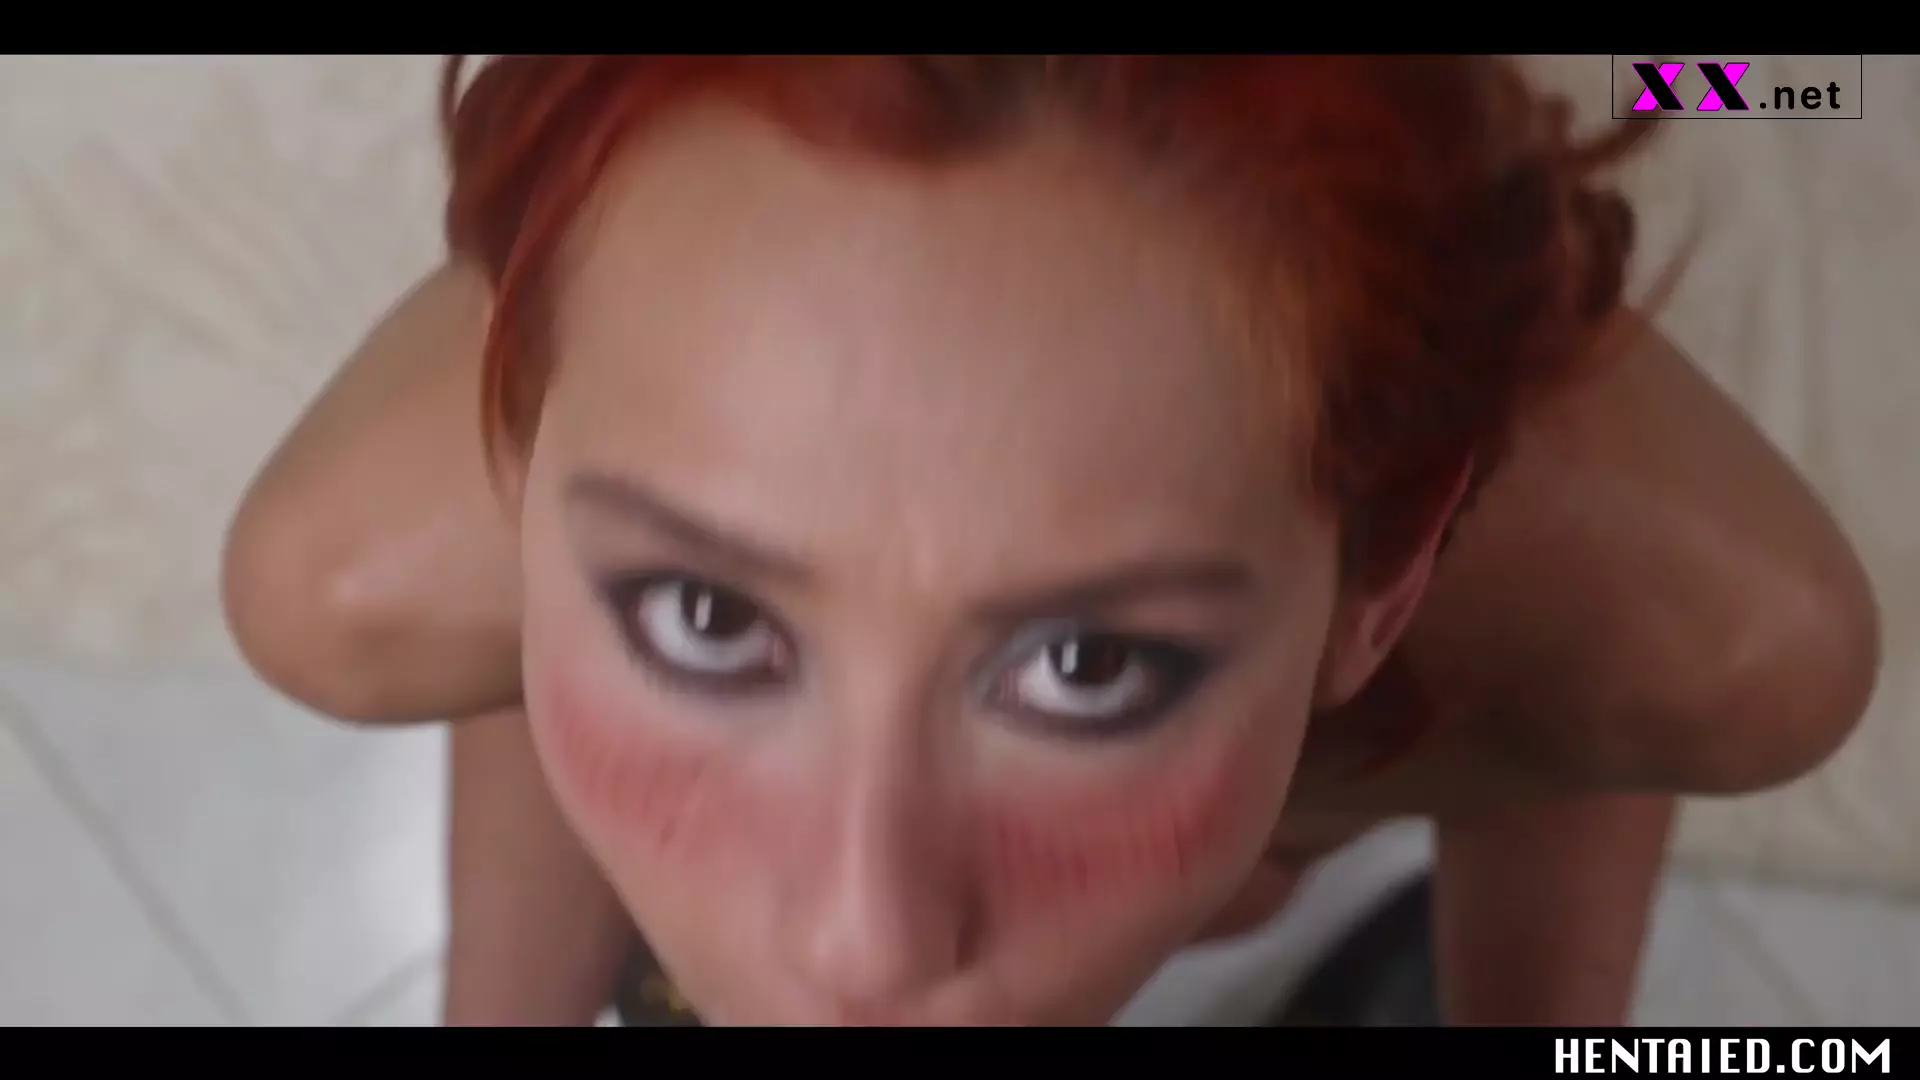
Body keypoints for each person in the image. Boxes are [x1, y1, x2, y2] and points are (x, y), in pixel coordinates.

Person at [220, 56, 1880, 1027]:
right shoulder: (355, 582)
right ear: (521, 458)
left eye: (1089, 665)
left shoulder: (1711, 638)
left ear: (1391, 570)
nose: (861, 946)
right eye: (704, 616)